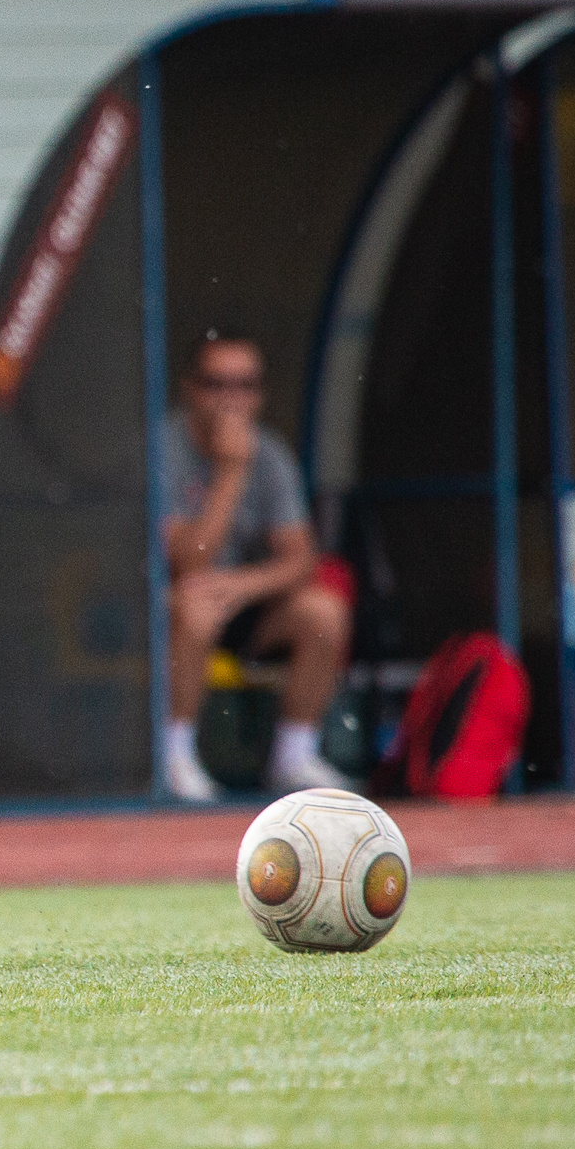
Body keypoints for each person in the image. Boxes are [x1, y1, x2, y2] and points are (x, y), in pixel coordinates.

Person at [155, 331, 351, 802]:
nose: (230, 399)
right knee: (195, 604)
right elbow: (187, 559)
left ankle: (294, 756)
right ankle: (174, 756)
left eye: (244, 386)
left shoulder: (272, 453)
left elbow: (301, 558)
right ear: (190, 388)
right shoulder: (165, 447)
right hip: (164, 604)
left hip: (242, 604)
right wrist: (230, 472)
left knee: (324, 611)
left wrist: (242, 585)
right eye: (216, 384)